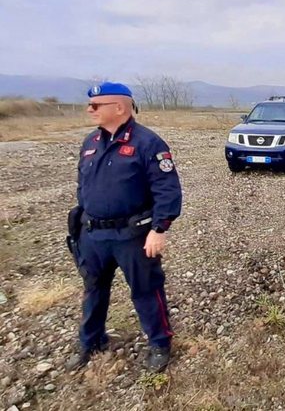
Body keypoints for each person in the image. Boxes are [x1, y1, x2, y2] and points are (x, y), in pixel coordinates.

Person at [66, 82, 182, 372]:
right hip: (94, 234)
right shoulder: (90, 142)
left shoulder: (148, 143)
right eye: (89, 105)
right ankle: (91, 341)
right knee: (93, 289)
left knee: (146, 290)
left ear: (119, 107)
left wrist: (159, 229)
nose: (89, 110)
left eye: (95, 105)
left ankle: (160, 343)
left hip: (132, 235)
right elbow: (83, 186)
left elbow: (167, 190)